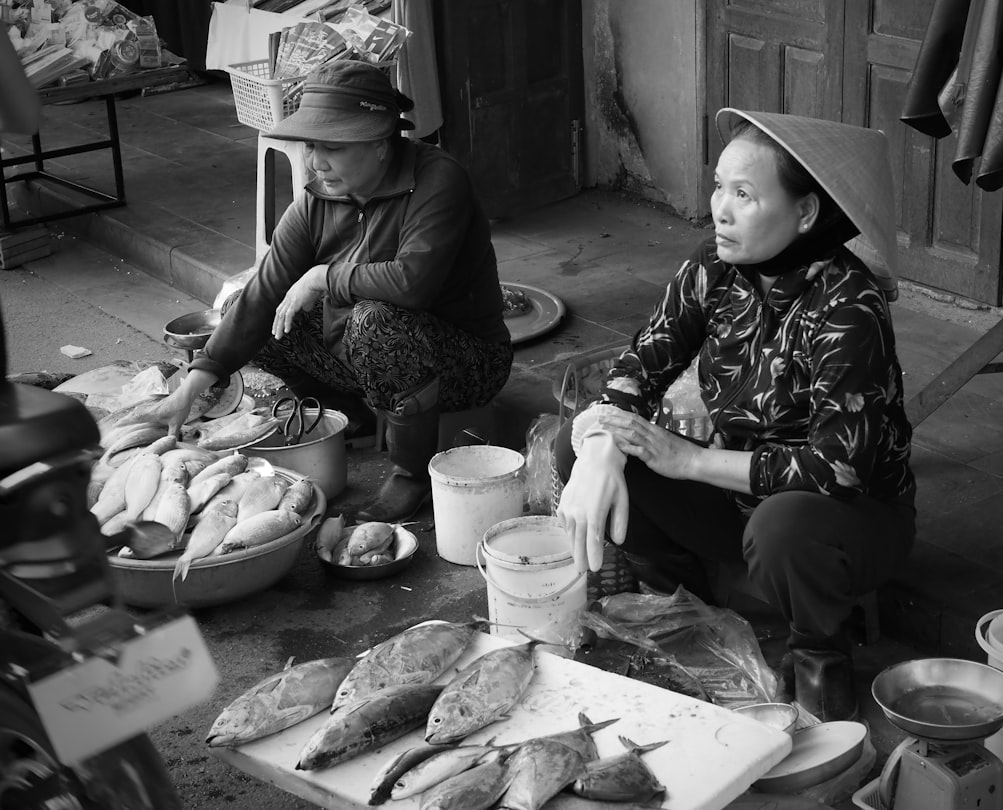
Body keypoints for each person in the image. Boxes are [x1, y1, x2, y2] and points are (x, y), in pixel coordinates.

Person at [554, 109, 916, 722]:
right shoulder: (716, 268)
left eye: (744, 194)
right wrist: (603, 443)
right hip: (736, 503)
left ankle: (818, 658)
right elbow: (643, 358)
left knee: (783, 526)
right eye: (720, 185)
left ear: (804, 213)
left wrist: (691, 460)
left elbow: (838, 469)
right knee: (580, 445)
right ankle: (679, 598)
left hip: (845, 523)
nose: (719, 207)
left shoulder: (849, 308)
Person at [146, 60, 512, 522]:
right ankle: (344, 411)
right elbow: (263, 293)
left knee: (375, 319)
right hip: (364, 360)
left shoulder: (437, 179)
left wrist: (321, 276)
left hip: (465, 362)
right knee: (252, 305)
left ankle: (410, 475)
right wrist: (193, 385)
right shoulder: (318, 199)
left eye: (333, 148)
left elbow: (412, 283)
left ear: (381, 145)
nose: (317, 162)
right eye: (314, 146)